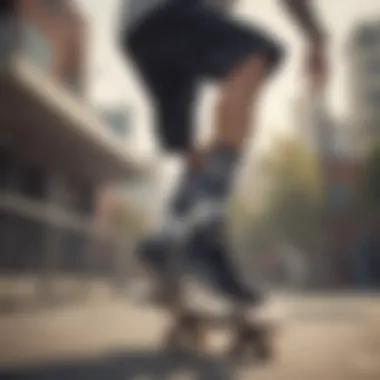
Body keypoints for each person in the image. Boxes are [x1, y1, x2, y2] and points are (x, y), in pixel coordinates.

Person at [120, 0, 328, 303]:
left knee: (191, 148)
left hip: (139, 31)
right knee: (254, 56)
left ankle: (165, 240)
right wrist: (317, 39)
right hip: (167, 14)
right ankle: (204, 236)